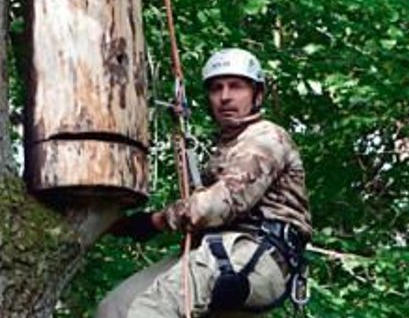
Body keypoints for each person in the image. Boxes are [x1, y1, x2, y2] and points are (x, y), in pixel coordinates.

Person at [96, 48, 311, 318]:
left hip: (258, 253)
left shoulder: (266, 138)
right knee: (115, 309)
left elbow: (218, 206)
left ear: (257, 95)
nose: (225, 97)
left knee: (149, 310)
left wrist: (156, 221)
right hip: (216, 250)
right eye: (216, 88)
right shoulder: (224, 148)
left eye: (236, 87)